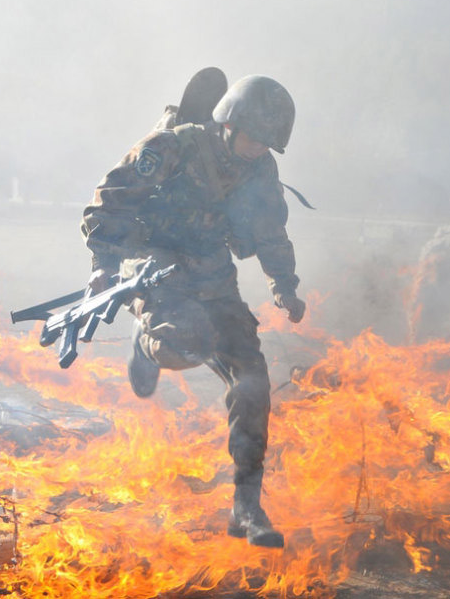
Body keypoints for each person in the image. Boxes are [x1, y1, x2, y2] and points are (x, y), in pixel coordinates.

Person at [81, 74, 306, 548]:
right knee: (186, 345)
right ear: (228, 123)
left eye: (268, 143)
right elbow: (111, 199)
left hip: (214, 275)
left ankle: (246, 506)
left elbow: (269, 229)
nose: (258, 148)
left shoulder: (260, 167)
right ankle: (146, 345)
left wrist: (284, 285)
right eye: (253, 137)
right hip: (159, 271)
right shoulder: (173, 147)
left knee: (253, 381)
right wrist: (103, 265)